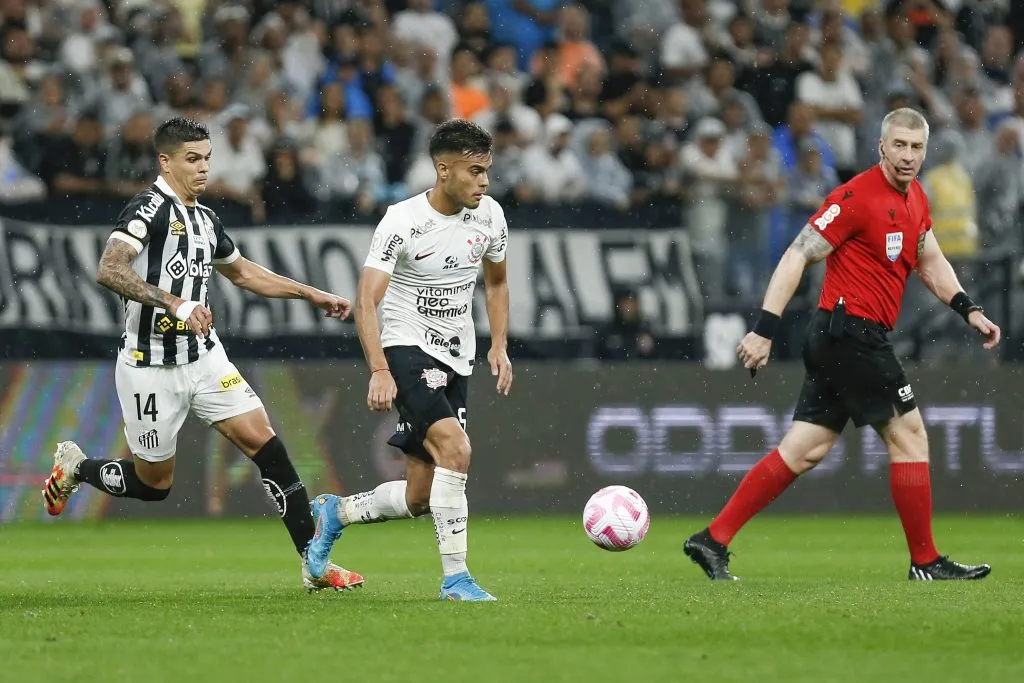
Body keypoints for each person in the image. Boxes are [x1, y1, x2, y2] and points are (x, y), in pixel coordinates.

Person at [41, 117, 364, 593]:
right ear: (165, 161)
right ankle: (77, 468)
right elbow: (109, 269)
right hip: (149, 367)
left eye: (207, 158)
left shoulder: (206, 219)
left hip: (205, 360)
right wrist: (176, 302)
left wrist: (310, 294)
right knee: (155, 485)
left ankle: (314, 564)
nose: (203, 168)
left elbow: (245, 273)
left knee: (269, 448)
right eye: (193, 159)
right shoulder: (148, 206)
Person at [683, 108, 1000, 581]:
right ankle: (925, 561)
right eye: (900, 145)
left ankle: (712, 540)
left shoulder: (916, 198)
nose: (908, 156)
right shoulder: (853, 197)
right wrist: (764, 329)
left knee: (804, 449)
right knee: (910, 436)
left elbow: (929, 260)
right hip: (850, 333)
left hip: (846, 337)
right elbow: (797, 254)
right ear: (881, 146)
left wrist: (968, 308)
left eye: (916, 147)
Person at [305, 119, 512, 601]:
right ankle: (456, 579)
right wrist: (380, 367)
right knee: (457, 451)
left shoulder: (491, 217)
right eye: (474, 171)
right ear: (444, 170)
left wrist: (499, 343)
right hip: (406, 346)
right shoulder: (403, 221)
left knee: (420, 496)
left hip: (457, 356)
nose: (484, 181)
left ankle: (335, 513)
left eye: (487, 171)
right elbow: (366, 299)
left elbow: (497, 283)